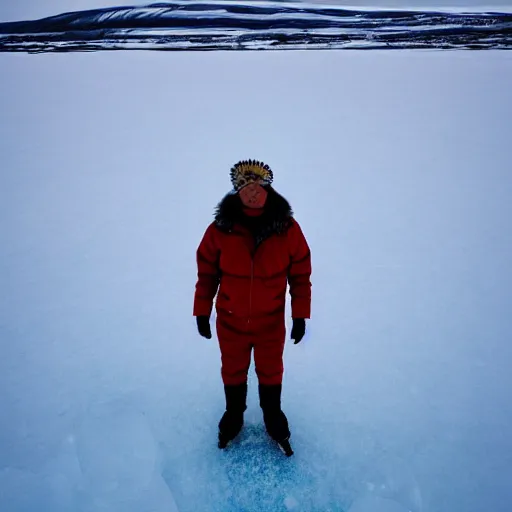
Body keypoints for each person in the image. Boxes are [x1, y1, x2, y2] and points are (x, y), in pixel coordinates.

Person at [193, 159, 312, 455]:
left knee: (271, 371)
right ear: (237, 192)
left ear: (267, 187)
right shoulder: (220, 229)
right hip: (230, 320)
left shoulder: (287, 229)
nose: (252, 193)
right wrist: (201, 310)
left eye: (257, 186)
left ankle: (274, 417)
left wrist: (300, 315)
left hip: (270, 322)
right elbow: (207, 271)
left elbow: (300, 274)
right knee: (233, 370)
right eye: (245, 188)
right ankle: (234, 415)